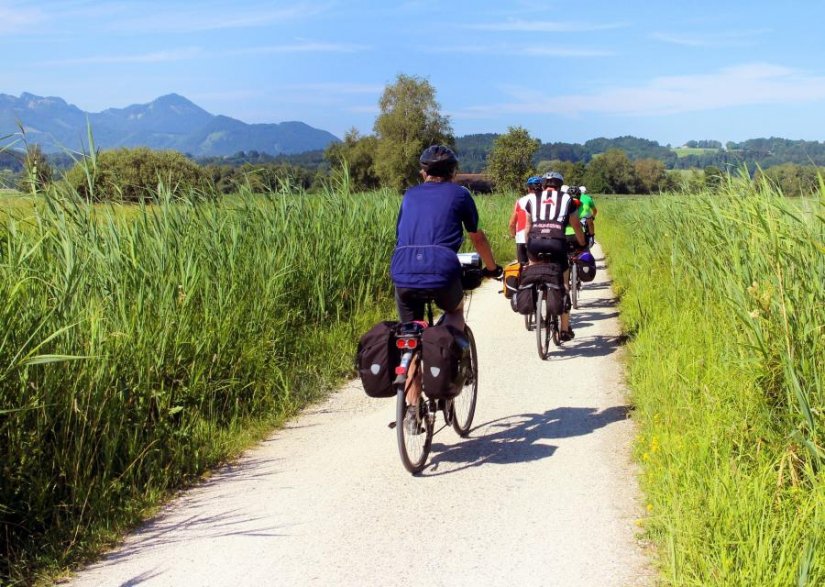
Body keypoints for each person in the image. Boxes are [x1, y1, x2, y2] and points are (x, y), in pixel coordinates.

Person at [391, 145, 501, 413]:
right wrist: (491, 268)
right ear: (453, 172)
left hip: (403, 270)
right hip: (442, 269)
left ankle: (413, 409)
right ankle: (449, 370)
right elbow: (478, 237)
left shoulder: (409, 195)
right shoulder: (460, 195)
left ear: (423, 171)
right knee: (455, 310)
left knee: (411, 333)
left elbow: (401, 235)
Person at [523, 171, 586, 341]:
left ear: (544, 185)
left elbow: (527, 227)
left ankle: (538, 299)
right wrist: (582, 243)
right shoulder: (567, 200)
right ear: (559, 185)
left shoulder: (532, 199)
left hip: (535, 243)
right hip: (557, 243)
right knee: (564, 283)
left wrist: (526, 246)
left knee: (534, 272)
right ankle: (564, 329)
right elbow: (576, 226)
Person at [508, 176, 542, 265]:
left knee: (522, 266)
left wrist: (513, 235)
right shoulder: (545, 201)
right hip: (540, 238)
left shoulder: (520, 201)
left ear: (528, 188)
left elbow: (512, 222)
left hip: (521, 238)